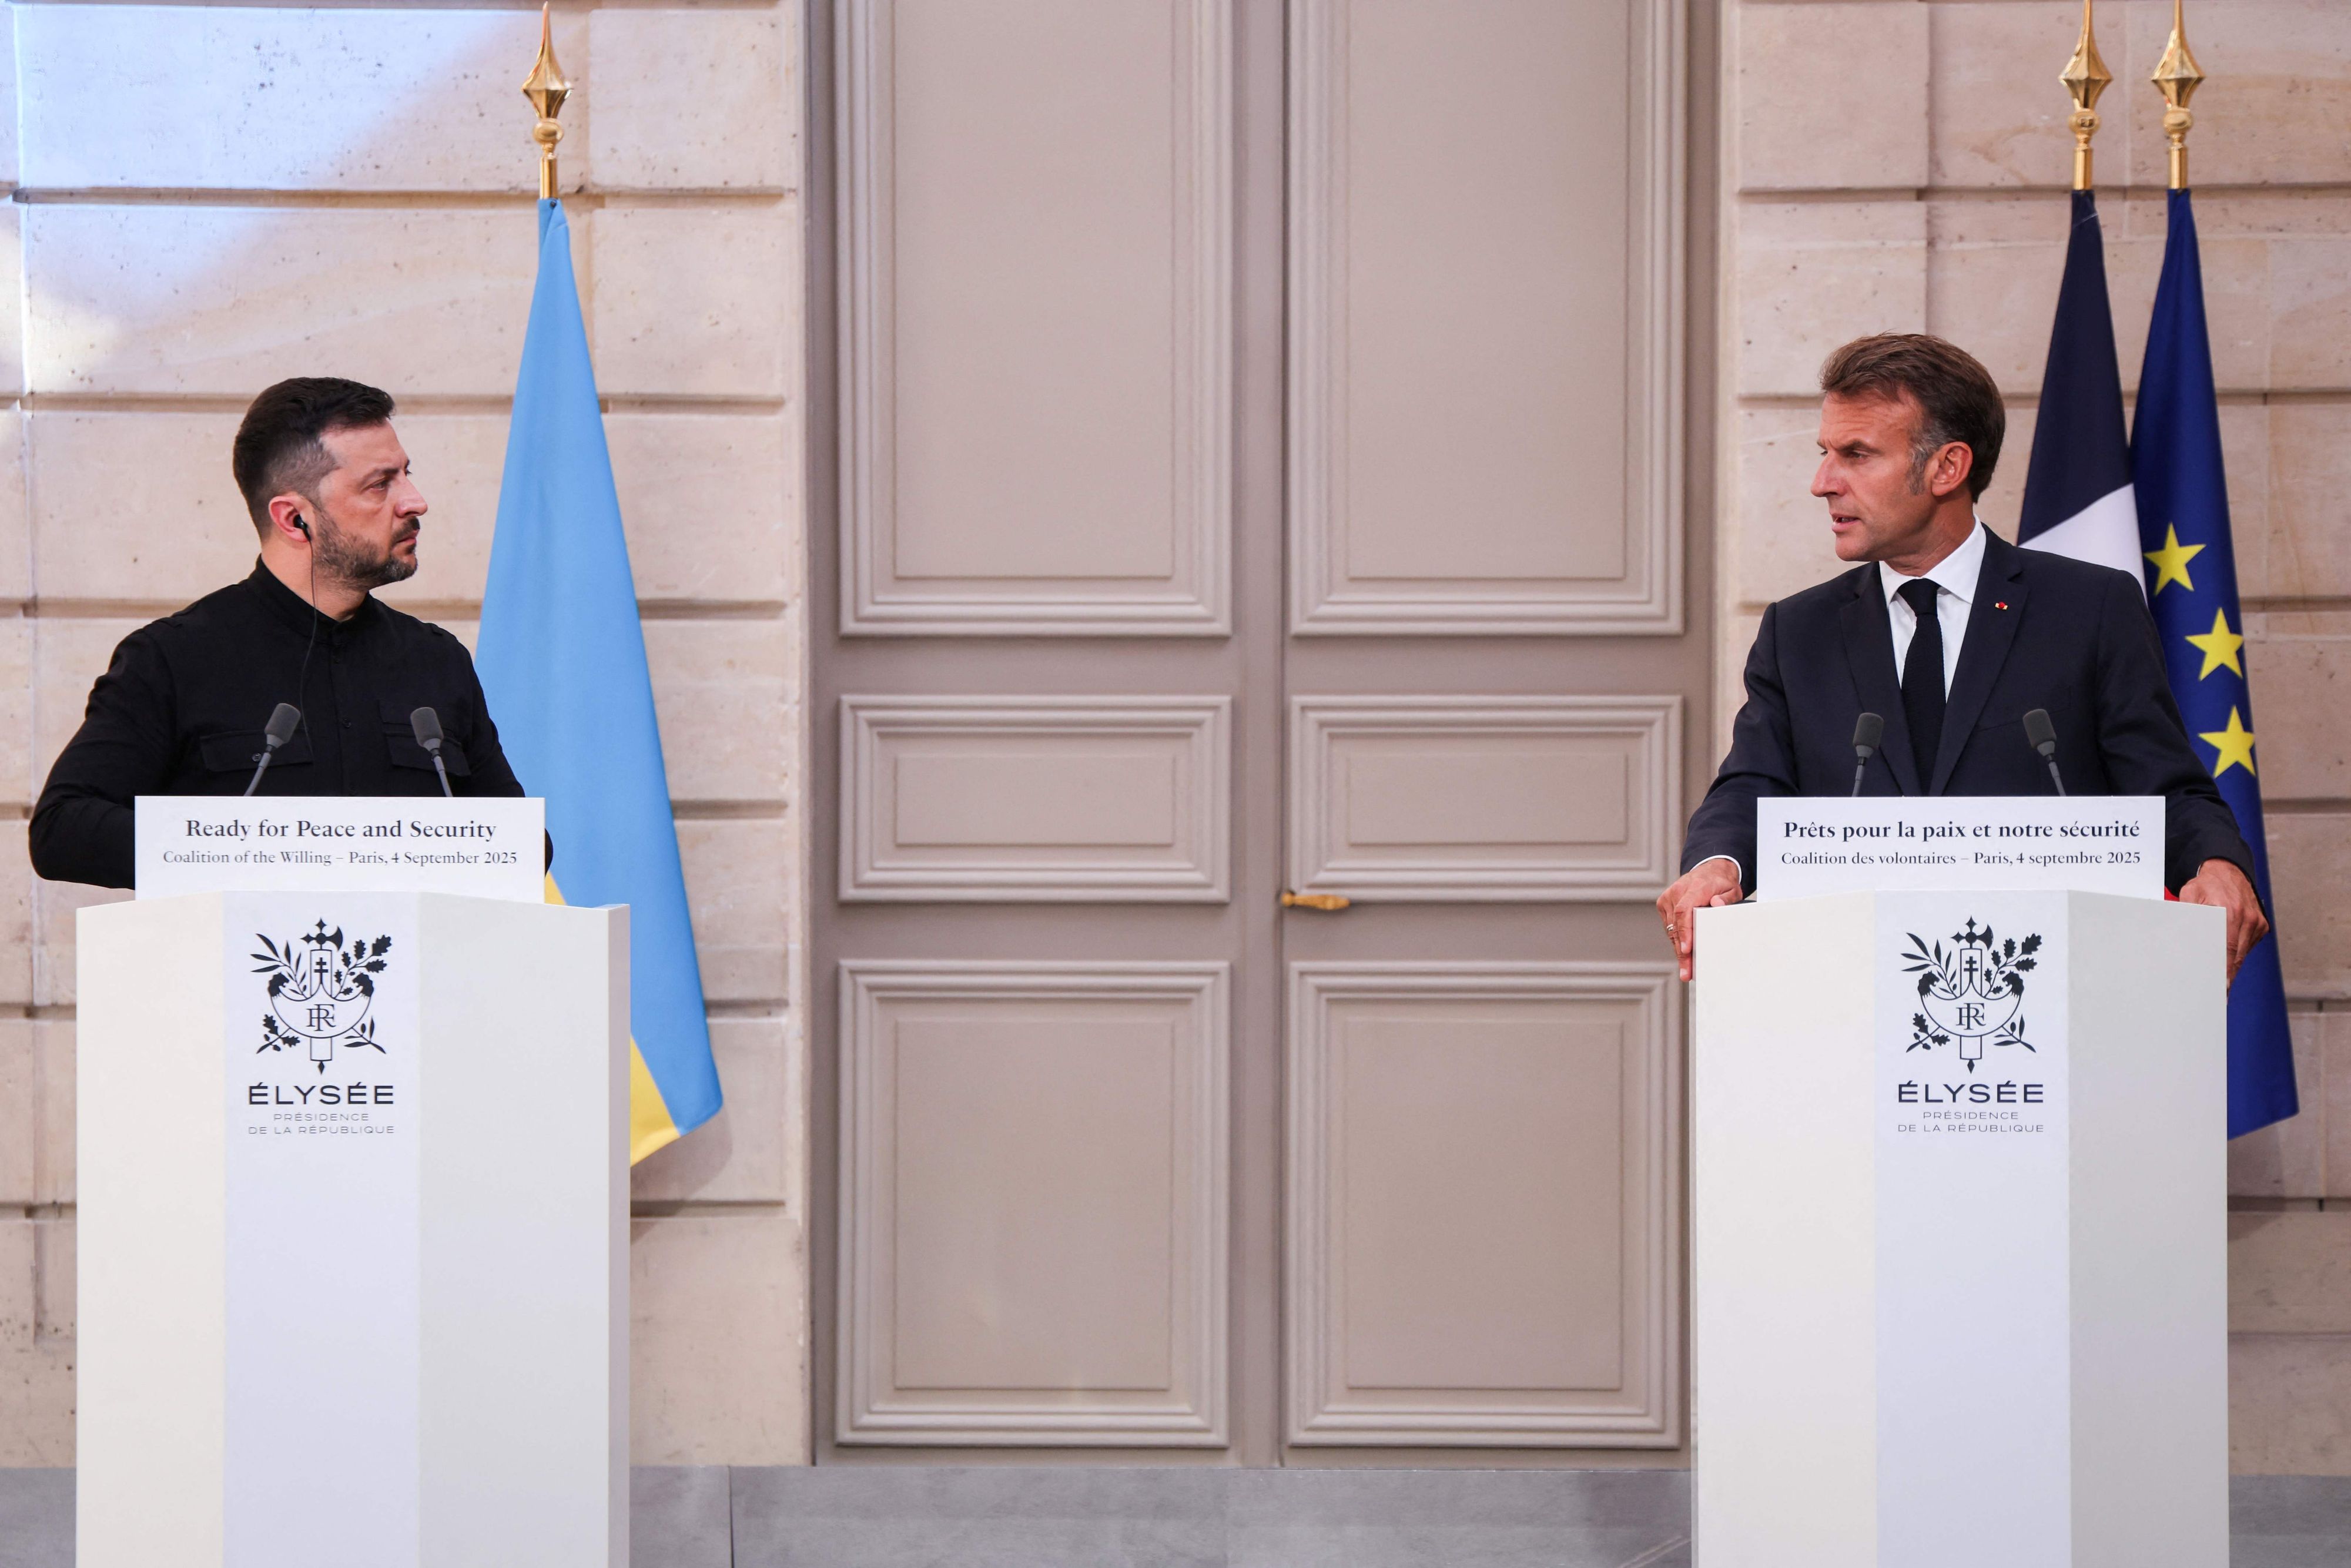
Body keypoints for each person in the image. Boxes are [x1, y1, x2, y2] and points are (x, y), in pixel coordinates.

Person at [1659, 333, 2266, 983]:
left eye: (1856, 454)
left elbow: (2165, 787)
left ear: (1946, 468)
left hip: (2049, 985)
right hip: (1848, 990)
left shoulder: (2088, 609)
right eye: (1824, 453)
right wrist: (1714, 864)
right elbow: (1754, 784)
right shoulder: (1798, 629)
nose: (1821, 483)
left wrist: (2215, 865)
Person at [30, 377, 528, 889]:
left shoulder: (436, 661)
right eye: (381, 485)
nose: (415, 502)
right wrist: (269, 850)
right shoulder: (175, 659)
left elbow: (525, 847)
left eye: (406, 475)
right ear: (295, 519)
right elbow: (62, 829)